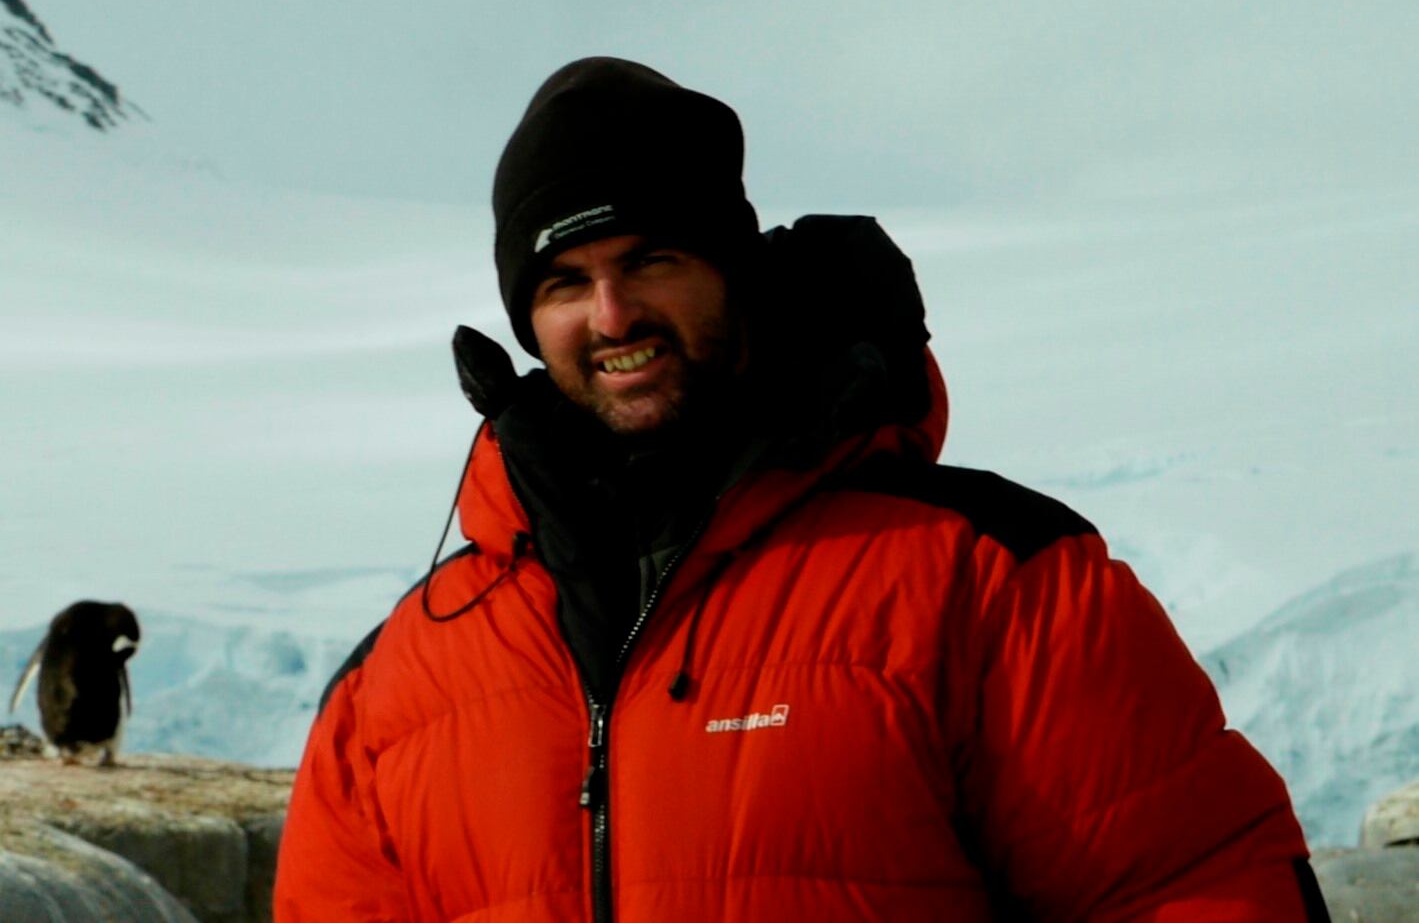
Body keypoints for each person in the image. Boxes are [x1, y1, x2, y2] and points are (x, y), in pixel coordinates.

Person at [273, 57, 1329, 922]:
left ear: (736, 274)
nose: (611, 313)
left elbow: (1199, 891)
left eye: (653, 259)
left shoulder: (984, 580)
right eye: (563, 282)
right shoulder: (401, 681)